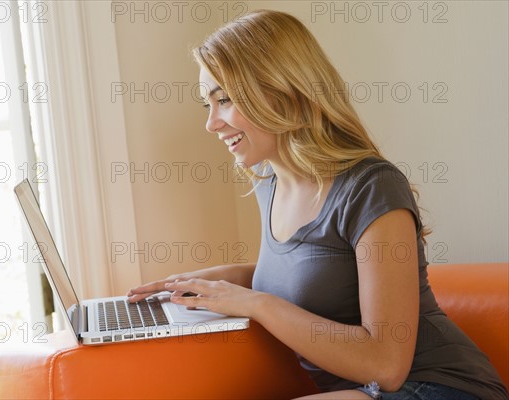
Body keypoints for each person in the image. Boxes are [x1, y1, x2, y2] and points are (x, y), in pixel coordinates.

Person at [127, 9, 508, 400]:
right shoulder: (269, 184)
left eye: (224, 99)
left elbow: (386, 367)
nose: (212, 123)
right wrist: (194, 287)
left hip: (440, 386)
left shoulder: (371, 186)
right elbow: (308, 270)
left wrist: (256, 303)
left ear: (282, 90)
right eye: (207, 104)